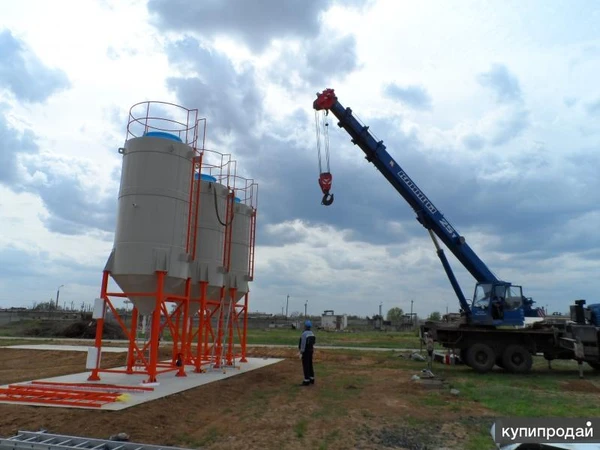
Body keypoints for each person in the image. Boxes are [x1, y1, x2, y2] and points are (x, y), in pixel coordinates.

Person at [298, 320, 316, 386]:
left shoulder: (304, 334)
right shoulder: (312, 333)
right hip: (311, 351)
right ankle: (312, 379)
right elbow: (314, 342)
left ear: (305, 326)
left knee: (306, 365)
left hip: (305, 351)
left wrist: (301, 352)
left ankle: (306, 380)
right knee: (310, 364)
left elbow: (303, 344)